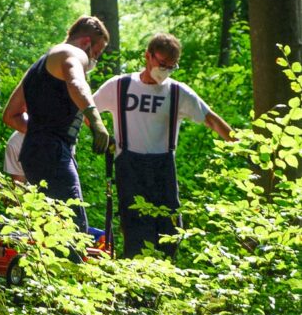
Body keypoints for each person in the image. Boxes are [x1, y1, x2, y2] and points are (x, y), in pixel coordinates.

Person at [92, 33, 234, 258]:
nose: (165, 70)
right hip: (130, 169)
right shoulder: (120, 86)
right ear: (148, 56)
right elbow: (87, 109)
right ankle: (133, 287)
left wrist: (241, 146)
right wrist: (99, 131)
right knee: (136, 233)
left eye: (171, 67)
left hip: (163, 169)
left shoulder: (177, 92)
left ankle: (164, 284)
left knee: (170, 231)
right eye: (162, 64)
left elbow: (210, 118)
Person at [2, 16, 111, 232]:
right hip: (53, 153)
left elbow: (11, 115)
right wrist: (98, 122)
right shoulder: (73, 53)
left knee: (48, 229)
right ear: (86, 42)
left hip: (33, 154)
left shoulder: (38, 67)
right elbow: (76, 82)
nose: (94, 60)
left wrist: (40, 131)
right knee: (73, 228)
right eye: (96, 54)